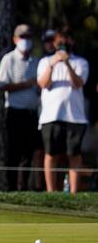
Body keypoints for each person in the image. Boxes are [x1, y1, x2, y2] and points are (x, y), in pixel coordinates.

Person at [37, 27, 89, 194]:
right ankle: (51, 192)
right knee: (51, 154)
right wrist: (53, 64)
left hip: (75, 117)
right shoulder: (45, 62)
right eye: (59, 42)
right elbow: (43, 84)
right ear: (54, 43)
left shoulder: (80, 62)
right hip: (51, 116)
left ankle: (73, 193)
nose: (63, 45)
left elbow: (78, 83)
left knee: (73, 154)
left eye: (66, 41)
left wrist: (66, 63)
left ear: (71, 42)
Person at [0, 24, 40, 191]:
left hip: (32, 113)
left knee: (28, 153)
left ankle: (23, 188)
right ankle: (11, 188)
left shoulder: (36, 61)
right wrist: (25, 84)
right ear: (15, 39)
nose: (25, 40)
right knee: (13, 152)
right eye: (22, 37)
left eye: (28, 37)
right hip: (14, 112)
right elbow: (1, 85)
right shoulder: (9, 59)